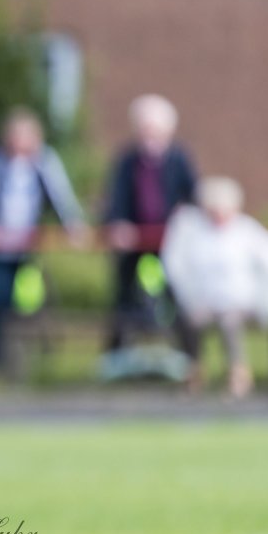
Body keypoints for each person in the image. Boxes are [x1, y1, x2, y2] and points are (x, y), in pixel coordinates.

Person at [0, 108, 87, 372]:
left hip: (28, 249)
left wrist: (74, 227)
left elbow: (61, 197)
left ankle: (28, 359)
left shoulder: (44, 161)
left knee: (30, 303)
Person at [103, 94, 200, 353]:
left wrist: (184, 215)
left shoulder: (179, 159)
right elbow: (116, 197)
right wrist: (118, 223)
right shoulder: (127, 160)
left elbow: (193, 195)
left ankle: (189, 356)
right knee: (124, 293)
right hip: (135, 239)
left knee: (178, 293)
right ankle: (116, 353)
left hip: (171, 241)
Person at [161, 176, 268, 397]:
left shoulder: (246, 230)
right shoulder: (193, 231)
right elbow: (176, 266)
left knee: (229, 321)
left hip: (240, 301)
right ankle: (194, 370)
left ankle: (238, 373)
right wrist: (188, 296)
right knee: (188, 321)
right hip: (203, 300)